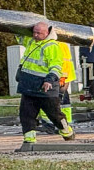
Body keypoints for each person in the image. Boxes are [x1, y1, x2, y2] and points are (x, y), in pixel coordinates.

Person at [16, 21, 74, 149]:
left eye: (39, 33)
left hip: (45, 87)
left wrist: (49, 80)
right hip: (29, 86)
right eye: (34, 32)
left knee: (55, 114)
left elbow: (56, 66)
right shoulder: (32, 41)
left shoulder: (51, 46)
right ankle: (29, 140)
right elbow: (20, 36)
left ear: (47, 33)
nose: (35, 35)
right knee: (26, 114)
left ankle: (67, 131)